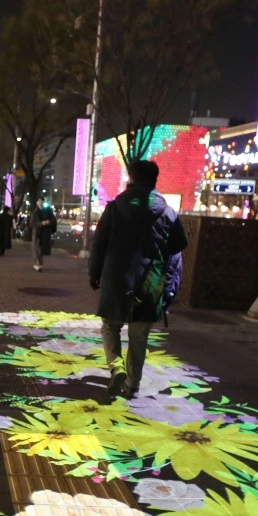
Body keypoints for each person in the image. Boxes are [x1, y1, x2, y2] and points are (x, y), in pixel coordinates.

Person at [89, 159, 187, 399]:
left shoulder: (114, 208)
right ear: (155, 180)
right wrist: (171, 286)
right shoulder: (168, 212)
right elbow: (176, 253)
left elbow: (99, 243)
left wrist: (94, 272)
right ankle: (133, 386)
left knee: (110, 326)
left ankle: (117, 367)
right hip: (151, 282)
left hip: (116, 278)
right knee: (139, 336)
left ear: (130, 179)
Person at [29, 200, 56, 271]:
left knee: (42, 249)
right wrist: (41, 223)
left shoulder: (48, 211)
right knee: (37, 249)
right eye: (39, 201)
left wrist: (48, 222)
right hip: (37, 233)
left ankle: (39, 262)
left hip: (45, 233)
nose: (40, 203)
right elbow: (32, 223)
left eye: (41, 201)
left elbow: (53, 220)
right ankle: (38, 263)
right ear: (36, 202)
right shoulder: (35, 212)